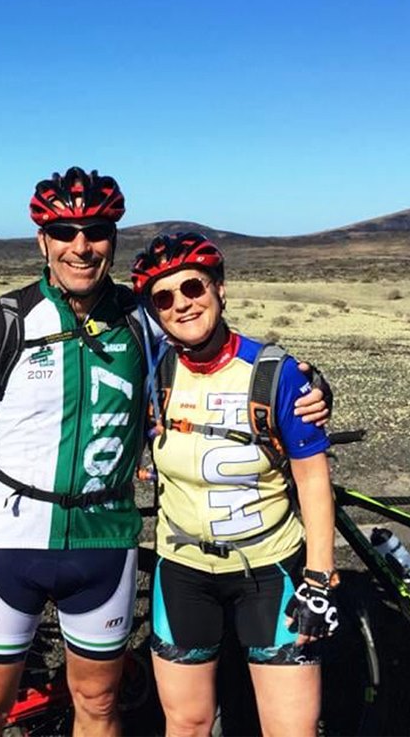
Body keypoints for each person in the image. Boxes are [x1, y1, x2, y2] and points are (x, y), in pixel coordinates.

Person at [0, 168, 330, 737]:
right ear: (43, 240)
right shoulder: (2, 323)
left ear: (114, 239)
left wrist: (306, 384)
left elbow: (212, 347)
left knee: (99, 706)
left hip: (106, 544)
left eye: (96, 230)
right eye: (64, 231)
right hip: (11, 540)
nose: (80, 245)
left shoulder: (142, 316)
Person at [130, 231, 338, 737]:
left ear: (220, 289)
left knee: (291, 730)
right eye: (164, 297)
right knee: (187, 724)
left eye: (194, 288)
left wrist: (319, 578)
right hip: (182, 573)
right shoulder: (153, 374)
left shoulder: (275, 373)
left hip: (271, 572)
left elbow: (313, 480)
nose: (182, 304)